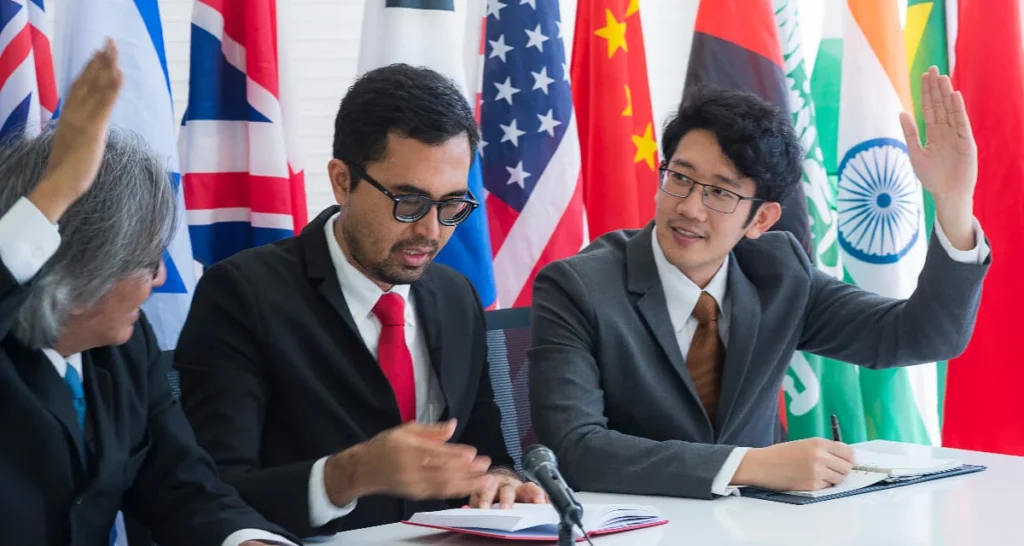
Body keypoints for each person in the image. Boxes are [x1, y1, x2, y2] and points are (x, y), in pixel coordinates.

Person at [528, 69, 990, 499]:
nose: (690, 207)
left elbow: (919, 336)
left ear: (761, 220)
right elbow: (575, 449)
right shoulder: (579, 287)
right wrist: (748, 465)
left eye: (720, 192)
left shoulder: (778, 272)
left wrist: (953, 201)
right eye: (680, 178)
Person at [175, 63, 546, 537]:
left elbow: (488, 449)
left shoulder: (456, 294)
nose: (431, 231)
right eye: (408, 202)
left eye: (452, 205)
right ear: (342, 181)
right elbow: (210, 495)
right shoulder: (241, 295)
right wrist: (347, 475)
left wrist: (502, 480)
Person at [0, 41, 296, 546]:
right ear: (79, 275)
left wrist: (249, 541)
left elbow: (182, 487)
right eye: (146, 262)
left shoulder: (125, 348)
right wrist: (59, 189)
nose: (160, 279)